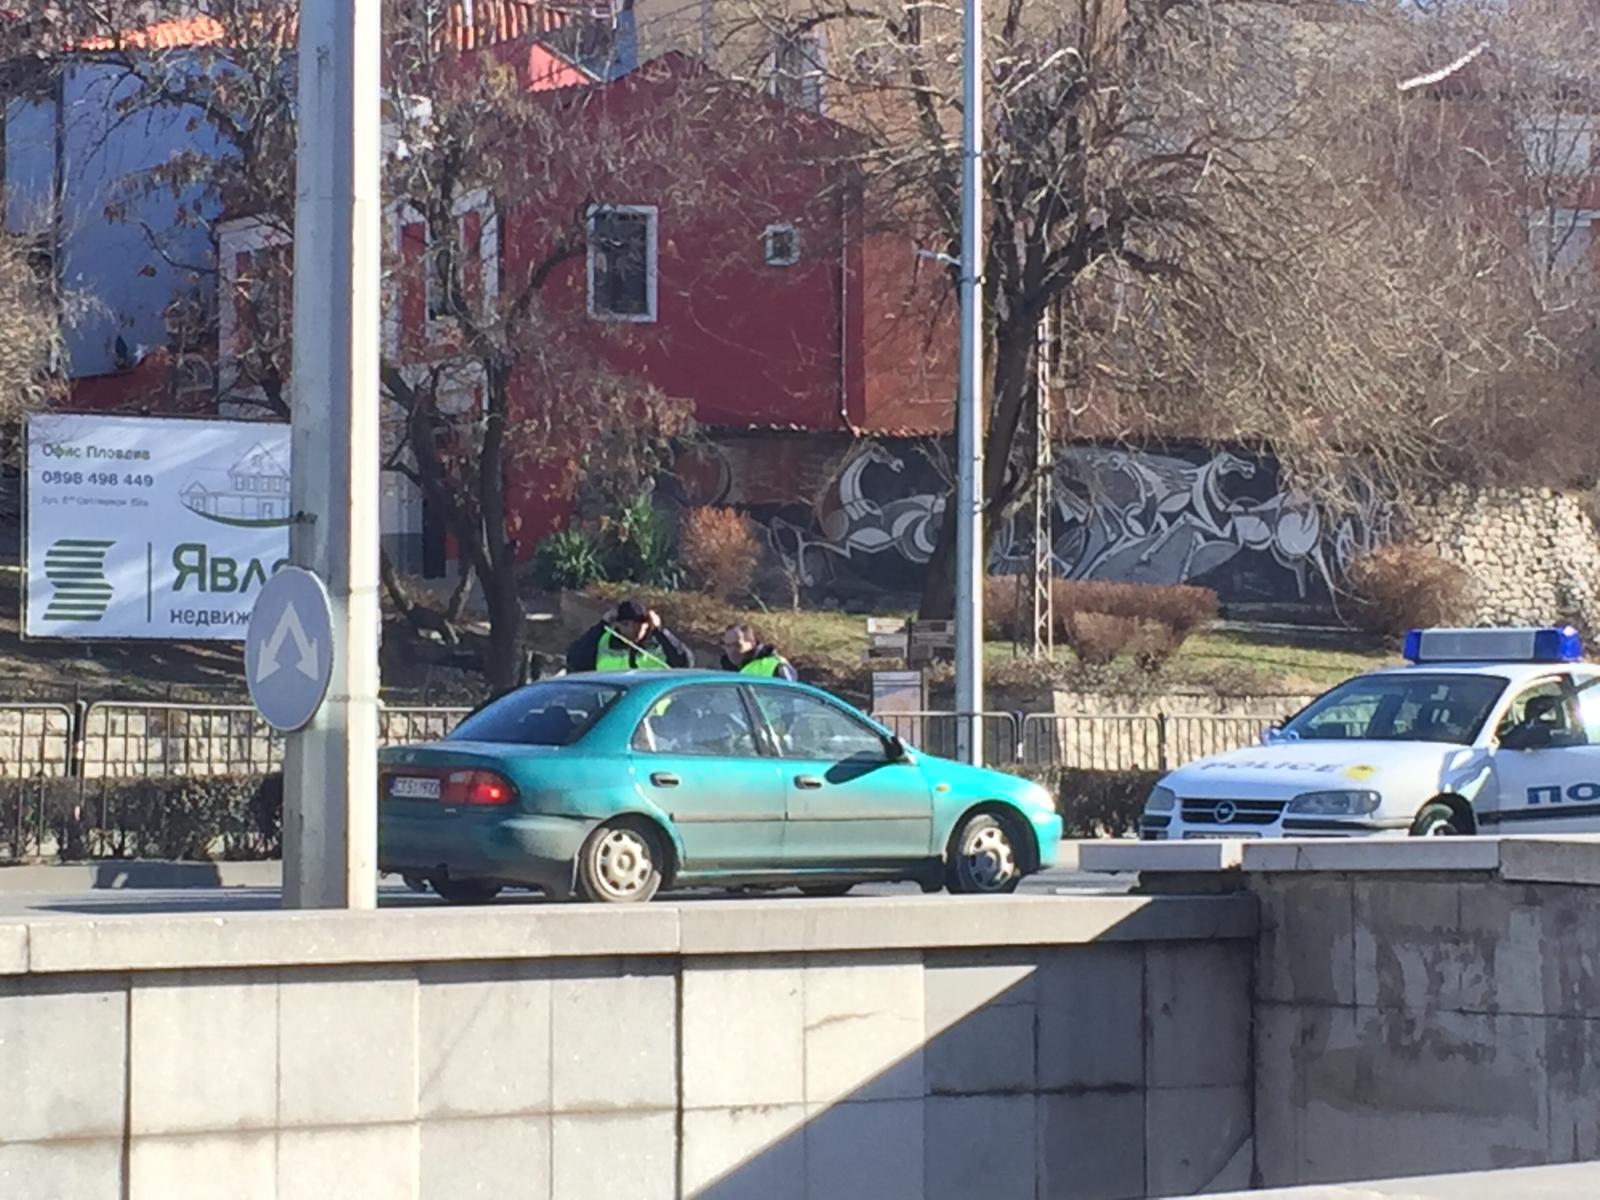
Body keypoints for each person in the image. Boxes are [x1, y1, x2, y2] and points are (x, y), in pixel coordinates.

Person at [566, 599, 693, 672]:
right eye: (626, 624)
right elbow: (574, 660)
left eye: (639, 624)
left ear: (649, 624)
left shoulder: (660, 644)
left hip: (655, 716)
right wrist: (601, 625)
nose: (633, 629)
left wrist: (660, 631)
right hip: (614, 713)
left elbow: (685, 662)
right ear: (617, 624)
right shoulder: (603, 642)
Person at [719, 623, 798, 680]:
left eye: (737, 645)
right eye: (728, 646)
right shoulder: (726, 671)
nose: (732, 651)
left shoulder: (776, 665)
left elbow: (790, 697)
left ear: (753, 643)